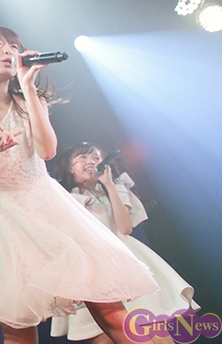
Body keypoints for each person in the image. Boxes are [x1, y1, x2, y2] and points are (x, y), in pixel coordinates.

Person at [0, 25, 158, 344]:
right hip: (4, 220)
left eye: (14, 46)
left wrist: (28, 88)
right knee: (18, 328)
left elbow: (47, 151)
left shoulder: (29, 99)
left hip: (51, 210)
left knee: (109, 308)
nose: (8, 50)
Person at [50, 143, 197, 343]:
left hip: (127, 261)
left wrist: (109, 186)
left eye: (96, 158)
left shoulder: (116, 188)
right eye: (82, 158)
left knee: (154, 331)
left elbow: (125, 228)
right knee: (105, 335)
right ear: (70, 167)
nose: (90, 162)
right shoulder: (66, 198)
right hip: (94, 268)